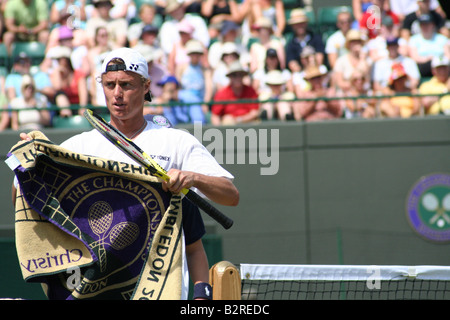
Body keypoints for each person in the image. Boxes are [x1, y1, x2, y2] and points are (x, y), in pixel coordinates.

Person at [12, 47, 239, 300]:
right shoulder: (78, 148)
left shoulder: (176, 142)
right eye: (110, 85)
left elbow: (230, 195)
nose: (117, 94)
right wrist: (27, 161)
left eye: (126, 85)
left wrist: (192, 177)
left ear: (146, 86)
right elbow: (23, 198)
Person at [211, 61, 260, 125]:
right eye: (234, 75)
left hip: (249, 124)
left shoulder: (251, 91)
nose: (237, 78)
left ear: (243, 76)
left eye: (240, 75)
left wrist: (238, 120)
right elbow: (215, 116)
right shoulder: (222, 93)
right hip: (230, 128)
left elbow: (255, 112)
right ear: (230, 77)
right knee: (227, 121)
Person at [408, 13, 449, 78]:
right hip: (423, 68)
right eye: (423, 25)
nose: (425, 27)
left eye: (427, 24)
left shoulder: (442, 38)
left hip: (441, 66)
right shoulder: (414, 39)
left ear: (432, 25)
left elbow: (448, 55)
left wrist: (436, 60)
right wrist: (427, 58)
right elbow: (414, 57)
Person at [285, 8, 325, 73]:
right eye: (296, 24)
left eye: (302, 23)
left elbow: (319, 59)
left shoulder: (316, 38)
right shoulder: (291, 45)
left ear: (306, 23)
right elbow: (293, 64)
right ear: (293, 26)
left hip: (317, 71)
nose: (299, 26)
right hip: (302, 74)